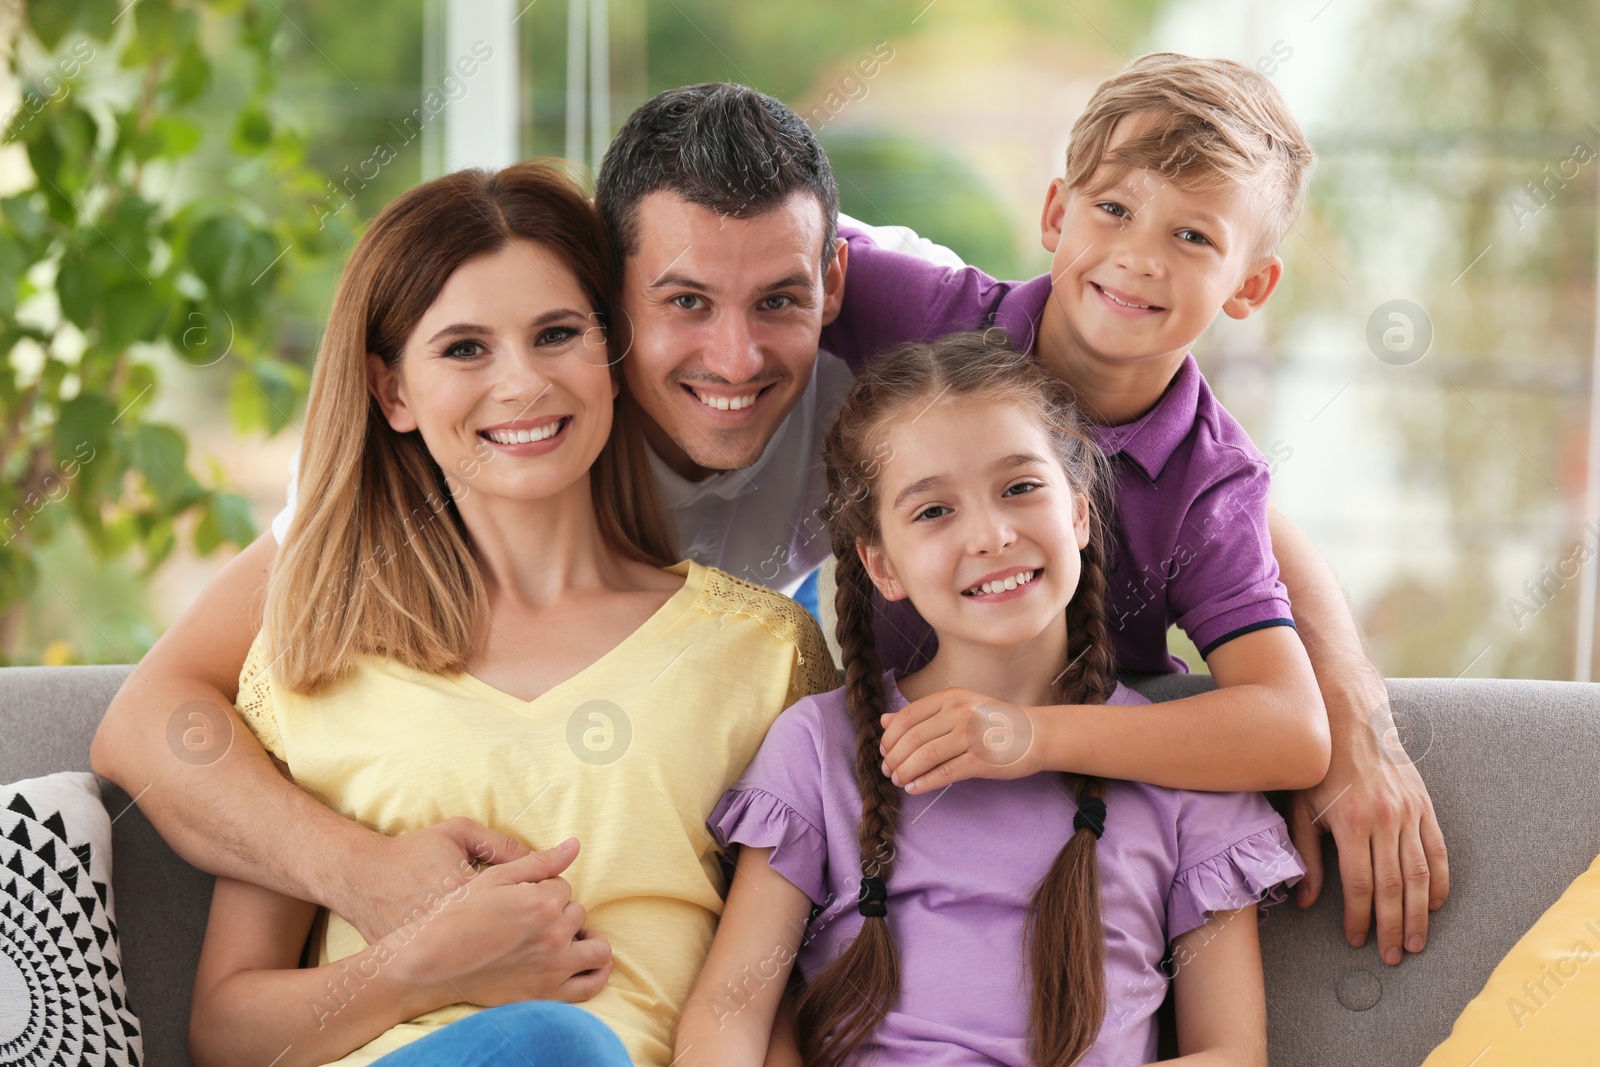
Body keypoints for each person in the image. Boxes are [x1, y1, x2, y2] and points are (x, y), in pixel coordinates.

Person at [92, 77, 1438, 989]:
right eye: (680, 303)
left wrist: (1356, 725)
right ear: (603, 288)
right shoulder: (504, 412)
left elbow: (1208, 485)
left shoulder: (915, 331)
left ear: (837, 275)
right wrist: (371, 882)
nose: (735, 359)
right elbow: (158, 711)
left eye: (780, 303)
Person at [185, 161, 835, 1066]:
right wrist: (417, 970)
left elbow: (789, 1001)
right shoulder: (316, 647)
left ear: (612, 353)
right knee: (554, 1041)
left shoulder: (763, 654)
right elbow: (226, 1032)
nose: (523, 383)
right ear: (393, 393)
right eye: (464, 348)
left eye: (558, 333)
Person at [822, 54, 1446, 967]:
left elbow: (1291, 726)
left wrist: (1027, 737)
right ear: (1054, 213)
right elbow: (743, 233)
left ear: (1250, 286)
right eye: (1113, 208)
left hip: (1061, 824)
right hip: (881, 790)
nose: (1138, 256)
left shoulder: (1209, 485)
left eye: (1193, 237)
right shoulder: (924, 315)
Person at [677, 332, 1303, 1066]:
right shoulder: (818, 747)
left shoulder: (1191, 765)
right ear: (882, 565)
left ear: (1077, 512)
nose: (992, 534)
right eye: (933, 511)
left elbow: (1231, 1053)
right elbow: (729, 1012)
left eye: (1019, 487)